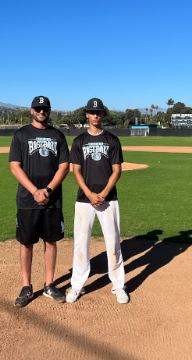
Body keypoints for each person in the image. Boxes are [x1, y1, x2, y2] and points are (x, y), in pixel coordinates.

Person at [66, 98, 129, 304]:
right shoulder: (79, 141)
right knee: (81, 243)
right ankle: (77, 285)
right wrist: (90, 194)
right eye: (92, 112)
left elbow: (117, 170)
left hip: (109, 199)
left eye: (99, 112)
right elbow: (75, 171)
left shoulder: (112, 140)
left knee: (113, 243)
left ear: (103, 115)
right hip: (84, 199)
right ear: (87, 114)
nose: (95, 115)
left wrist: (102, 193)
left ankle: (119, 286)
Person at [9, 95, 70, 307]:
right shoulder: (21, 134)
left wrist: (48, 189)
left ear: (49, 111)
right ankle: (27, 286)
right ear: (32, 110)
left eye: (45, 108)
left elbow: (64, 166)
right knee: (26, 243)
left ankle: (49, 284)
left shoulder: (58, 135)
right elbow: (15, 166)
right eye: (38, 108)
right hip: (28, 199)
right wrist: (35, 190)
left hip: (52, 200)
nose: (42, 111)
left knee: (51, 241)